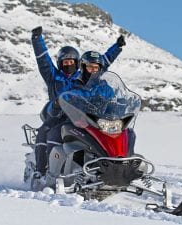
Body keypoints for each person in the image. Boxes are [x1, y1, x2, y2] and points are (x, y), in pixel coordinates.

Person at [31, 26, 126, 177]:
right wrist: (37, 40)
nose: (68, 65)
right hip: (58, 114)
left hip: (81, 114)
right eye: (65, 62)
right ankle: (42, 170)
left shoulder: (83, 76)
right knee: (46, 132)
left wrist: (117, 47)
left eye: (71, 61)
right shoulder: (53, 76)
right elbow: (43, 59)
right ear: (60, 63)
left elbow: (101, 62)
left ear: (77, 62)